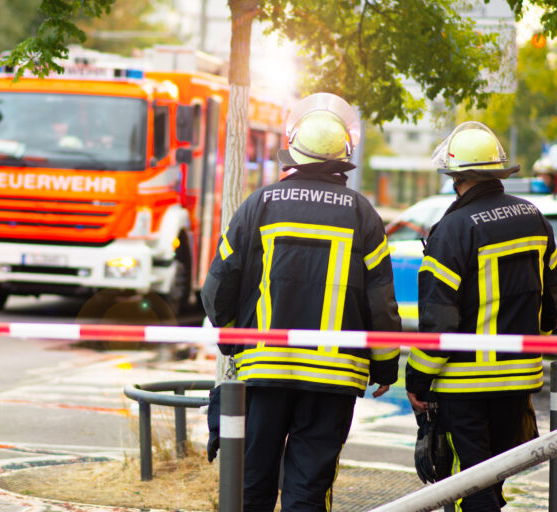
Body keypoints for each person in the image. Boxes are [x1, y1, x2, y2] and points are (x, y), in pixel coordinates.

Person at [201, 92, 402, 512]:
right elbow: (380, 302)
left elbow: (217, 288)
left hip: (265, 370)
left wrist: (234, 340)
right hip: (334, 379)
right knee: (308, 492)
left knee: (251, 486)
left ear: (292, 153)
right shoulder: (363, 214)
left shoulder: (261, 204)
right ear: (343, 160)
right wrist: (384, 366)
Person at [405, 121, 557, 511]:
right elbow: (551, 303)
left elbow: (438, 322)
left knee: (466, 490)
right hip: (520, 379)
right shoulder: (534, 219)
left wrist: (418, 381)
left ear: (456, 175)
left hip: (465, 388)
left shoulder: (452, 230)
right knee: (492, 481)